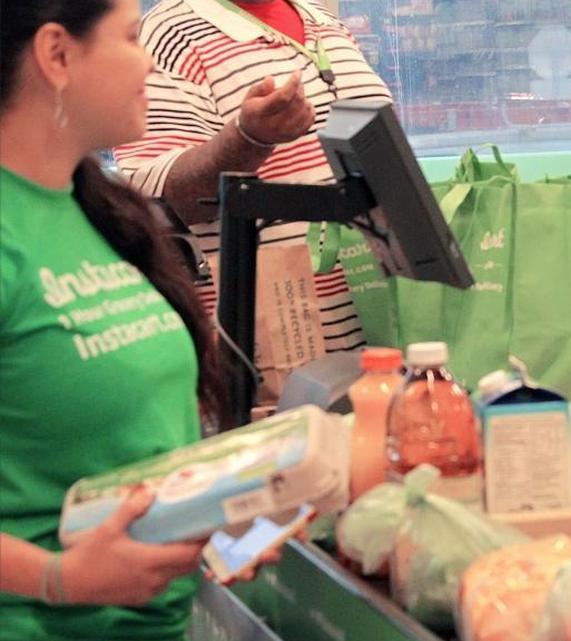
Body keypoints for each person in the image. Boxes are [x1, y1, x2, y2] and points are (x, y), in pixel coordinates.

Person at [0, 1, 230, 638]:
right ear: (57, 54)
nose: (150, 58)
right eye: (130, 36)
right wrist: (58, 579)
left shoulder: (92, 208)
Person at [114, 0, 394, 355]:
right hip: (271, 366)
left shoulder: (325, 23)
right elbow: (158, 202)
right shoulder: (168, 35)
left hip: (382, 346)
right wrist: (248, 139)